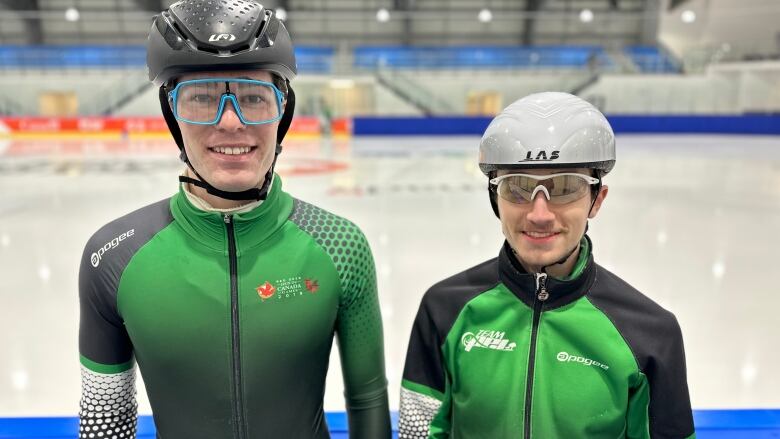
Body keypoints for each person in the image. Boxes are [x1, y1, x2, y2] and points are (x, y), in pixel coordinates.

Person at [77, 1, 391, 438]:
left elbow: (369, 403)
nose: (230, 122)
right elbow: (105, 417)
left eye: (253, 98)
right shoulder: (112, 257)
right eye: (202, 99)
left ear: (283, 113)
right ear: (172, 115)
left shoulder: (340, 245)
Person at [398, 92, 695, 438]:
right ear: (495, 198)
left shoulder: (650, 335)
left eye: (566, 187)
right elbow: (417, 432)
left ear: (597, 199)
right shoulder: (445, 310)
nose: (539, 214)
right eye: (518, 188)